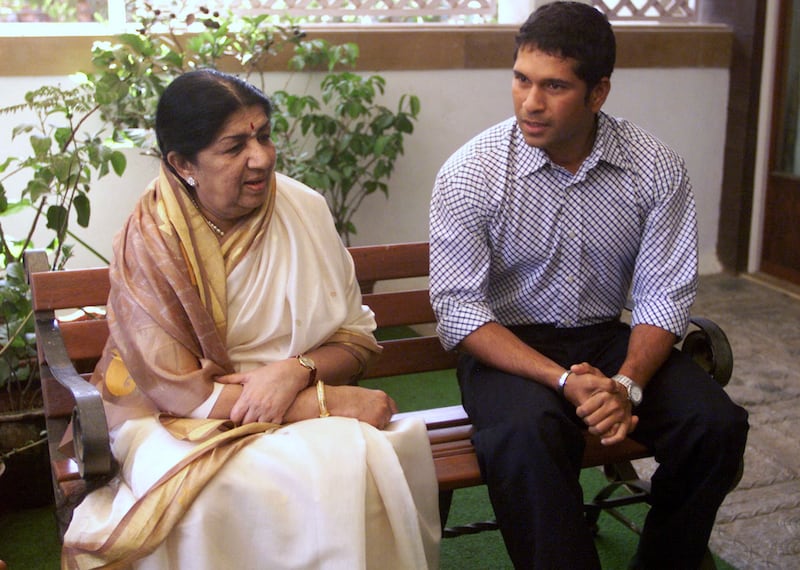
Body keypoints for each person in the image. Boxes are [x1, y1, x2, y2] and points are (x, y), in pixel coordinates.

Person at [62, 69, 440, 569]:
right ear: (183, 163)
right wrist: (318, 402)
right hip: (174, 419)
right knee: (220, 492)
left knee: (355, 468)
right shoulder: (150, 240)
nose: (260, 156)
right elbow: (178, 390)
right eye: (234, 146)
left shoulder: (303, 208)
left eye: (263, 135)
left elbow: (356, 340)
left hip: (290, 400)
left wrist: (296, 371)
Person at [429, 3, 748, 569]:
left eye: (554, 86)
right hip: (508, 350)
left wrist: (625, 385)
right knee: (527, 434)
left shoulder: (655, 168)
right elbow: (459, 310)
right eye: (521, 79)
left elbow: (662, 295)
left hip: (606, 341)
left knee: (716, 425)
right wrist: (558, 379)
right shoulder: (471, 172)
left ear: (597, 93)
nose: (530, 102)